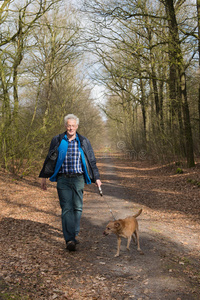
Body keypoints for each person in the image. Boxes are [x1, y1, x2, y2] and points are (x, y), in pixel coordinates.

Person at [39, 114, 102, 251]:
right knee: (67, 208)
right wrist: (43, 177)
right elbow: (49, 159)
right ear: (65, 126)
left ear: (77, 126)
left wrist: (96, 178)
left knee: (78, 208)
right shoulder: (57, 140)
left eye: (73, 125)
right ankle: (70, 240)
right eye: (68, 125)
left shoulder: (84, 141)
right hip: (63, 179)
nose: (71, 128)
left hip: (78, 178)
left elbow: (91, 161)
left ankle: (73, 233)